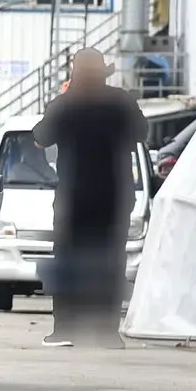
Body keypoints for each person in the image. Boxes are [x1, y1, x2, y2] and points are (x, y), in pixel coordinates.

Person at [30, 48, 148, 348]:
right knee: (111, 260)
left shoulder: (65, 103)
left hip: (74, 197)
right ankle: (107, 332)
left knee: (67, 259)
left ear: (75, 73)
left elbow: (40, 138)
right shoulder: (121, 101)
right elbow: (142, 132)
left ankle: (64, 329)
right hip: (114, 196)